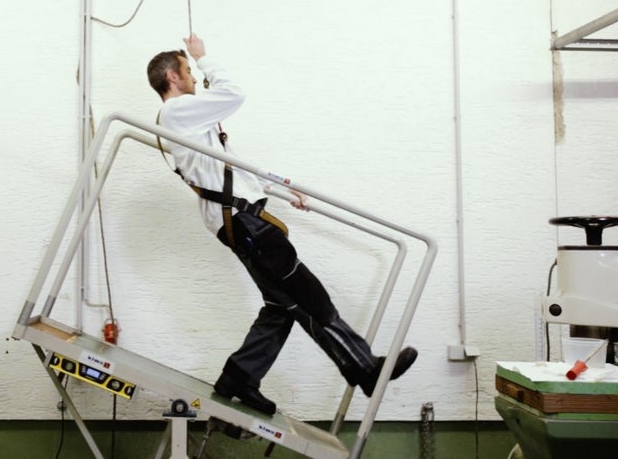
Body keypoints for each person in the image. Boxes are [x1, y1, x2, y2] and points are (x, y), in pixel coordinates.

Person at [148, 33, 417, 416]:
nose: (193, 76)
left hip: (242, 221)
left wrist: (283, 190)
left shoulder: (191, 121)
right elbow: (235, 94)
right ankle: (364, 369)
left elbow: (235, 166)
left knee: (280, 306)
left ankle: (238, 378)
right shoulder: (178, 112)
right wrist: (205, 58)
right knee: (310, 296)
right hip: (244, 224)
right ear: (172, 76)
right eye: (187, 70)